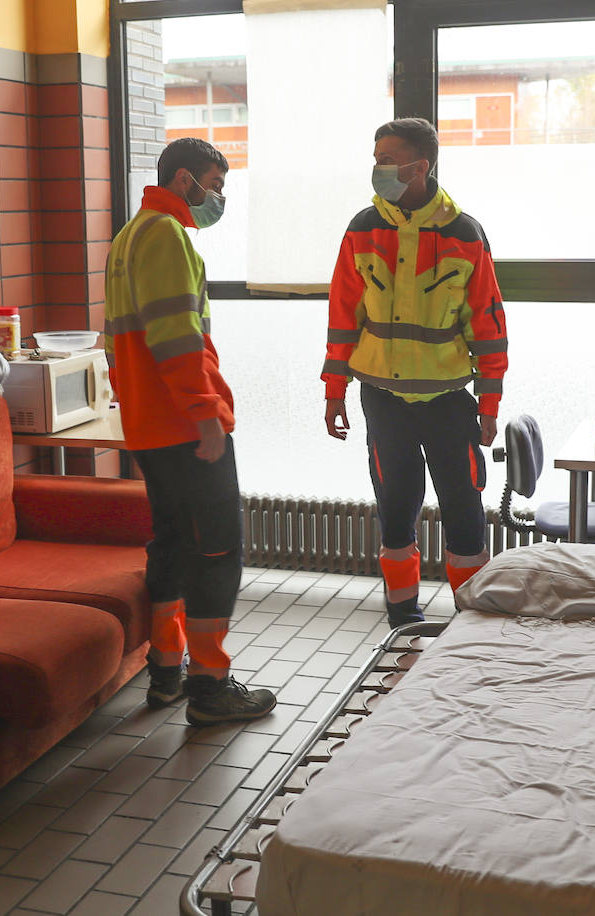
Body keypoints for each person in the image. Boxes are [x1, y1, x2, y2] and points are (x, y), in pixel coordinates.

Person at [104, 137, 276, 726]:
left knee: (173, 543)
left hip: (151, 426)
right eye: (215, 187)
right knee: (218, 550)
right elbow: (178, 339)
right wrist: (207, 417)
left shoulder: (128, 237)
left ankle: (167, 673)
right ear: (185, 181)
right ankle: (210, 687)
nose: (217, 200)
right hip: (184, 425)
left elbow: (117, 343)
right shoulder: (167, 235)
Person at [322, 118, 509, 629]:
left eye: (387, 158)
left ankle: (474, 622)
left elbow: (489, 325)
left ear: (419, 166)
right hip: (382, 399)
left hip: (450, 403)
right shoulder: (363, 228)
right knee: (396, 510)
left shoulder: (464, 232)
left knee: (465, 512)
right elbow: (343, 314)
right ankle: (402, 617)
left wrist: (489, 406)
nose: (377, 167)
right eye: (376, 156)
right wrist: (333, 390)